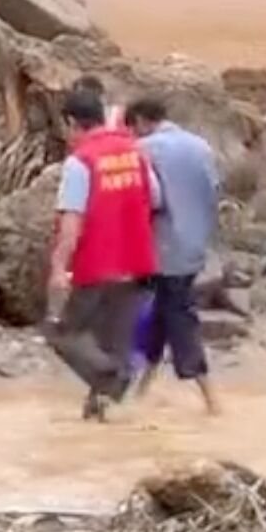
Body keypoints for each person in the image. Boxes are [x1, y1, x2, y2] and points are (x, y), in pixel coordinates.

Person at [44, 76, 161, 422]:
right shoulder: (133, 152)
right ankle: (100, 411)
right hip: (136, 263)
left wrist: (58, 268)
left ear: (71, 123)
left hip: (98, 265)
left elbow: (72, 222)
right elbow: (154, 198)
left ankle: (114, 379)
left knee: (63, 333)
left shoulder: (81, 162)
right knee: (112, 344)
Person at [125, 98, 222, 415]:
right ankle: (141, 392)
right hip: (195, 246)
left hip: (163, 249)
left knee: (178, 317)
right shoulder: (201, 147)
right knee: (161, 315)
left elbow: (150, 198)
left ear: (139, 121)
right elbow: (215, 192)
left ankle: (212, 401)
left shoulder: (144, 149)